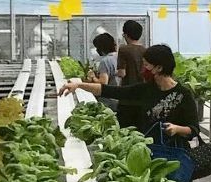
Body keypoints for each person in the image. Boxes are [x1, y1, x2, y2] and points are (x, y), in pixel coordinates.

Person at [59, 44, 198, 149]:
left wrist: (176, 129)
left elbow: (193, 129)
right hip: (149, 152)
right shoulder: (145, 89)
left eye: (146, 65)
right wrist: (79, 85)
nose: (143, 69)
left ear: (159, 68)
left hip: (176, 155)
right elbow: (109, 90)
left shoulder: (183, 94)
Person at [115, 20, 147, 128]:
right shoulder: (145, 50)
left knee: (126, 130)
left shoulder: (124, 49)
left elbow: (122, 73)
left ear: (126, 34)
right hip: (142, 95)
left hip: (127, 97)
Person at [86, 32, 119, 111]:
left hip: (108, 102)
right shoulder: (119, 56)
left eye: (97, 47)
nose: (96, 50)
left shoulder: (105, 61)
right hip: (119, 98)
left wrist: (93, 77)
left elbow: (103, 84)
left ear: (101, 48)